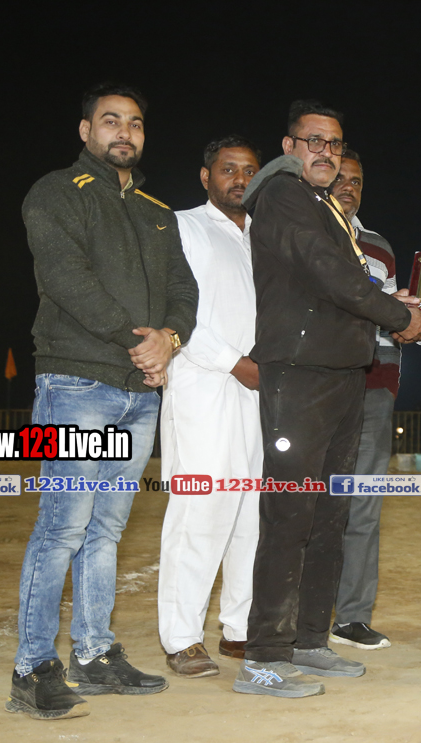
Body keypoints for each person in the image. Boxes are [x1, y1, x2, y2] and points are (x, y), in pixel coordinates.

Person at [10, 83, 199, 719]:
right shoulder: (56, 192)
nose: (125, 131)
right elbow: (65, 278)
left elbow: (184, 291)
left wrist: (170, 338)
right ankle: (33, 667)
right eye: (111, 120)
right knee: (62, 526)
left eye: (135, 123)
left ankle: (93, 655)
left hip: (138, 394)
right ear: (86, 130)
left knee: (106, 530)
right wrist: (136, 340)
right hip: (73, 385)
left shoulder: (156, 210)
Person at [236, 100, 421, 698]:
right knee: (289, 515)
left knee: (329, 515)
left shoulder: (322, 204)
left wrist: (394, 305)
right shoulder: (283, 193)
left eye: (335, 143)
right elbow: (324, 270)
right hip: (299, 374)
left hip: (344, 373)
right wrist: (396, 315)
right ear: (289, 146)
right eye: (314, 140)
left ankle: (309, 641)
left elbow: (342, 283)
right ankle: (263, 658)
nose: (327, 152)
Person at [157, 136, 263, 678]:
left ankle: (240, 628)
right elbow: (175, 313)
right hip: (203, 384)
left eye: (249, 170)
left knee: (251, 513)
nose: (240, 179)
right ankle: (181, 638)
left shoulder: (264, 236)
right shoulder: (182, 227)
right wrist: (235, 363)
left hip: (259, 390)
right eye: (228, 169)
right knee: (200, 511)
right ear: (206, 177)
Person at [328, 150, 398, 651]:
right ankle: (299, 615)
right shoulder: (301, 234)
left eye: (356, 180)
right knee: (307, 502)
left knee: (364, 507)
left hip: (372, 389)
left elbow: (393, 320)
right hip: (317, 388)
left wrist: (389, 381)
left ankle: (351, 617)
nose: (348, 186)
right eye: (340, 178)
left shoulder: (380, 248)